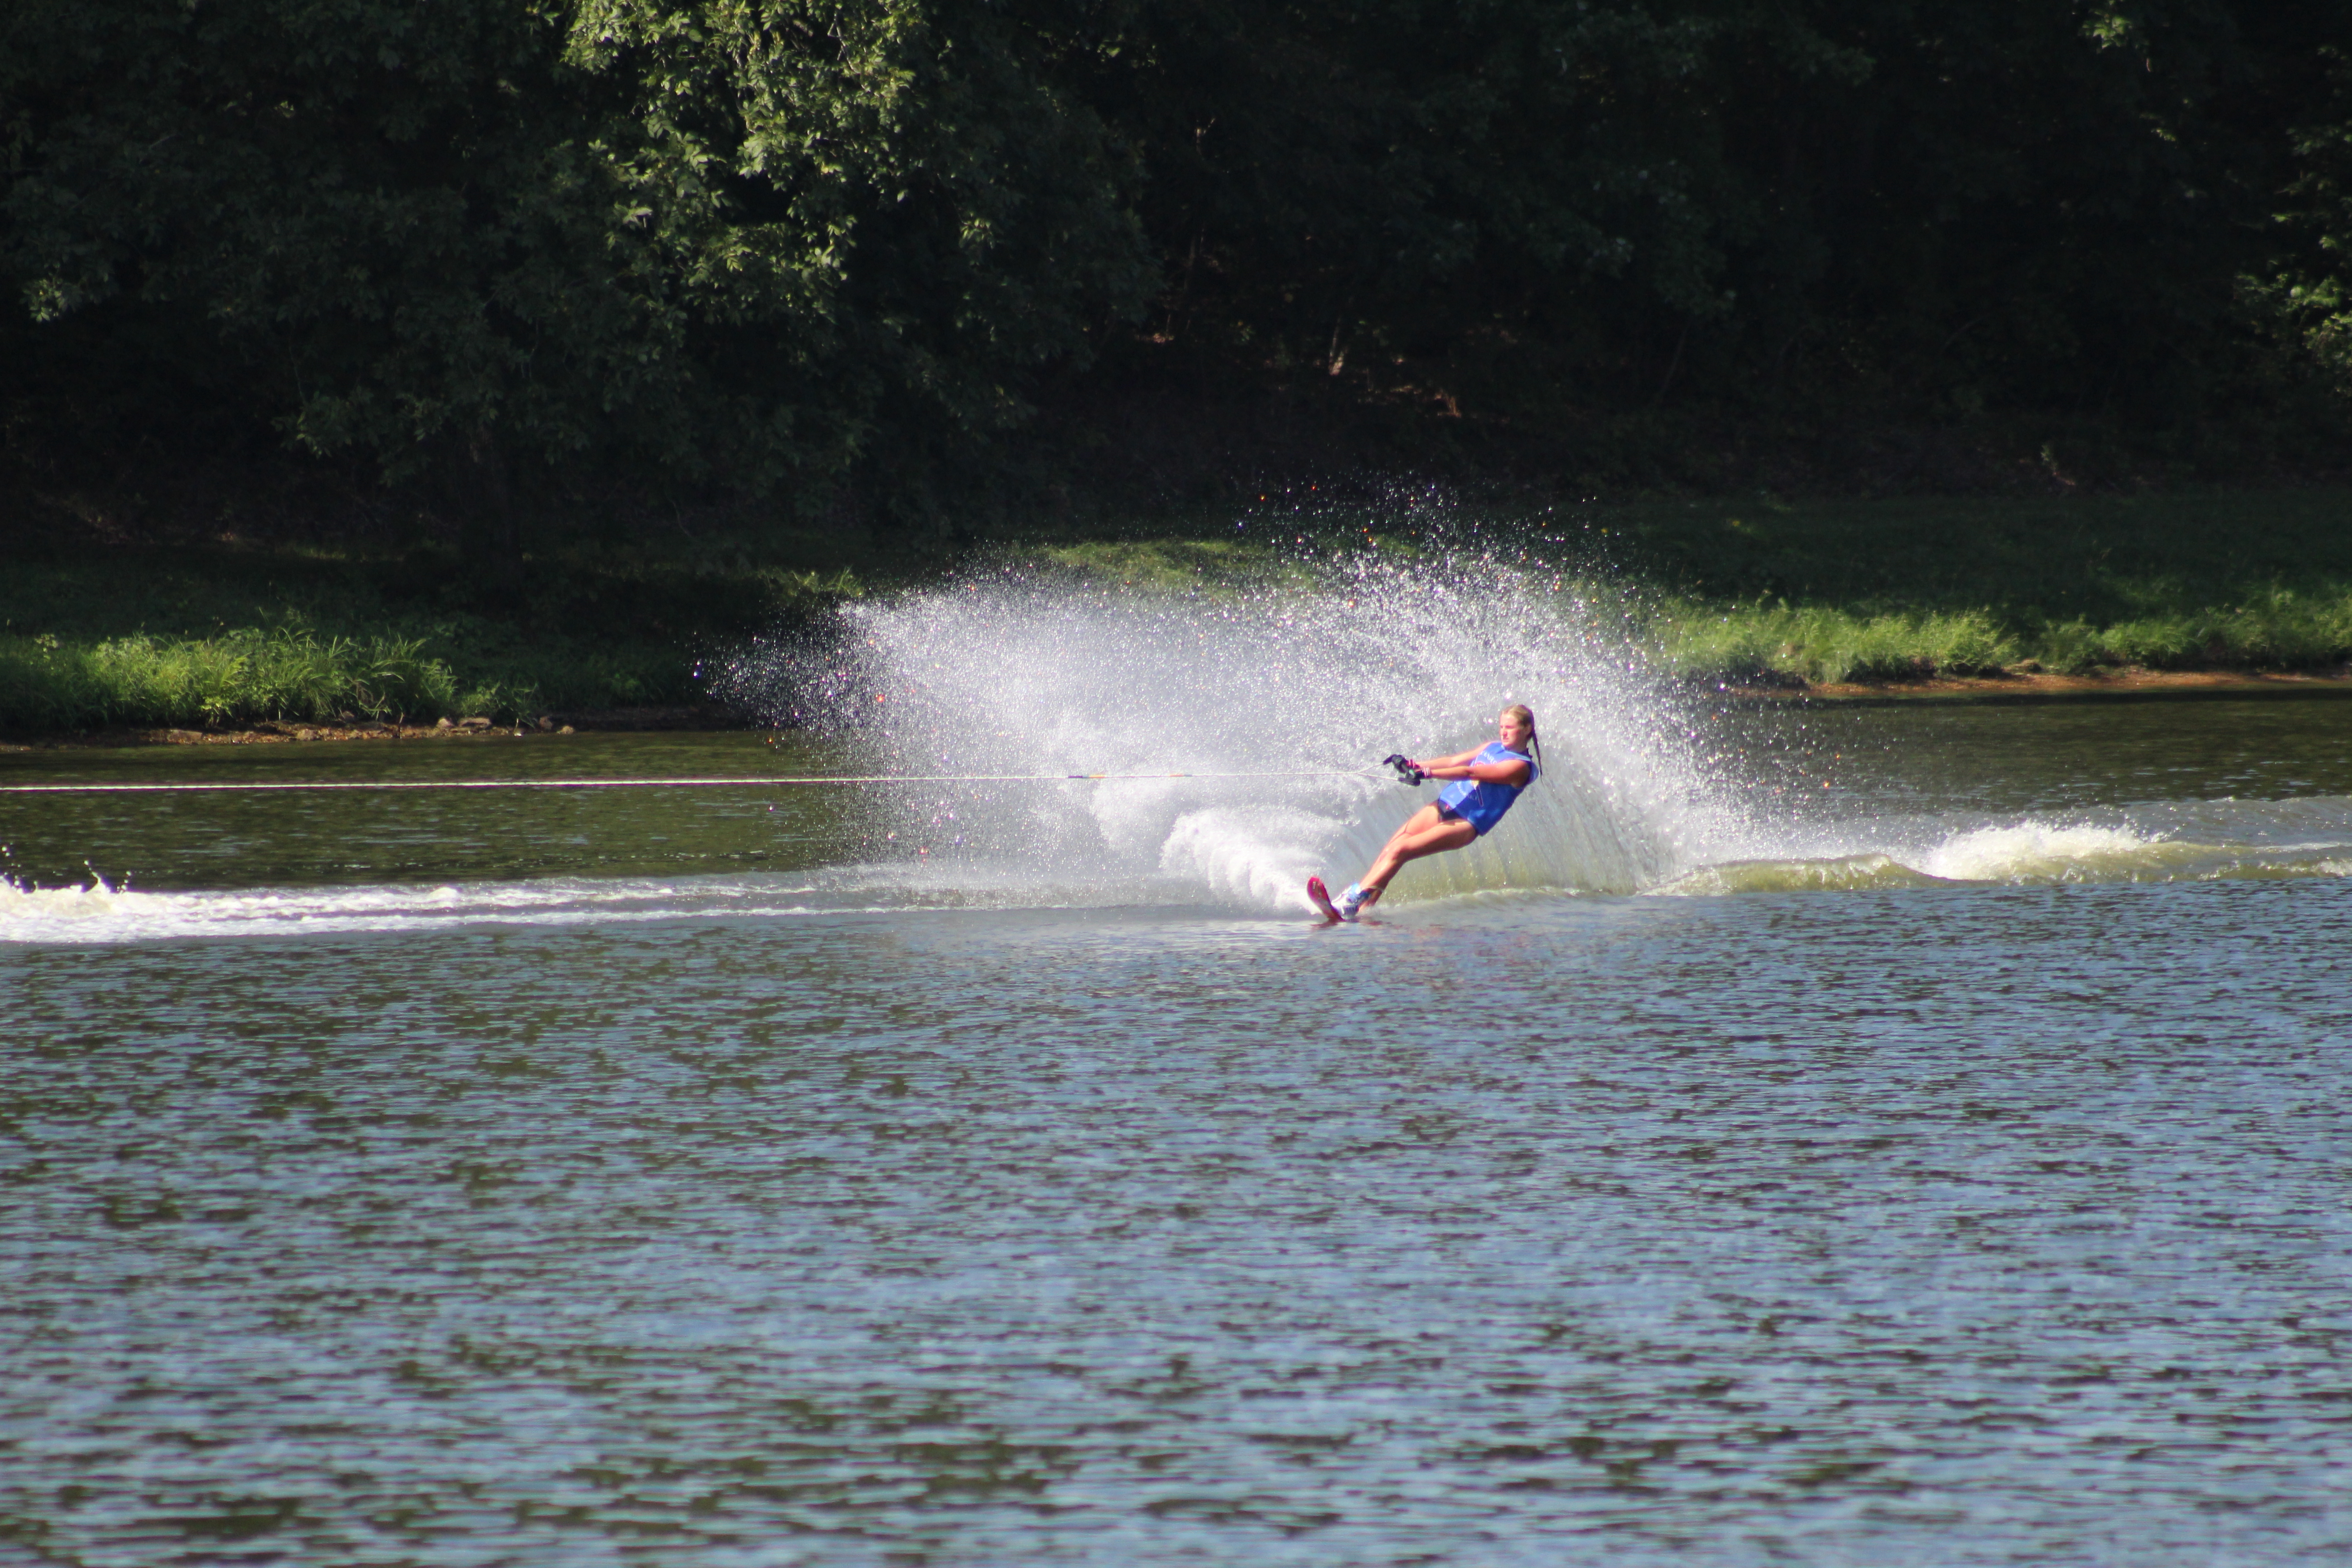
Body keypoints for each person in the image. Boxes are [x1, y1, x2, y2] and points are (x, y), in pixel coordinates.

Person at [1316, 705, 1543, 921]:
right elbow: (1455, 760)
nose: (1504, 732)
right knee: (1392, 849)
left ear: (1526, 730)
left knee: (1401, 850)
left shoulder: (1521, 767)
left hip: (1466, 823)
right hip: (1444, 804)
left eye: (1510, 728)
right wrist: (1414, 765)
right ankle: (1363, 909)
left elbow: (1470, 771)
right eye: (1502, 726)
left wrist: (1428, 774)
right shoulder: (1491, 747)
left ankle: (1351, 900)